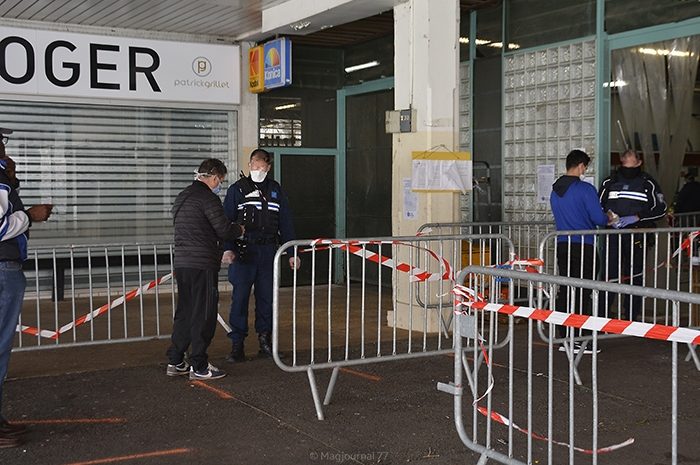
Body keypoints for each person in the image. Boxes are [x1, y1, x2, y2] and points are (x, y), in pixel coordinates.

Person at [166, 158, 244, 381]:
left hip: (183, 263)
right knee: (204, 313)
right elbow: (223, 229)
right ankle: (199, 365)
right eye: (220, 180)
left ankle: (176, 360)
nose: (220, 184)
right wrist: (240, 228)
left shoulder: (183, 196)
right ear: (213, 176)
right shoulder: (207, 198)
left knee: (185, 311)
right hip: (202, 264)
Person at [0, 128, 53, 448]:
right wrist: (30, 216)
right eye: (0, 140)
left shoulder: (4, 177)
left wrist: (12, 179)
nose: (4, 145)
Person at [223, 148, 299, 363]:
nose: (258, 170)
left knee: (267, 299)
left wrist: (292, 251)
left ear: (268, 167)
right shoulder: (237, 190)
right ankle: (237, 344)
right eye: (254, 166)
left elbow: (286, 223)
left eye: (262, 167)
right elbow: (226, 223)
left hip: (268, 253)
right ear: (249, 166)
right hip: (243, 252)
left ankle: (265, 340)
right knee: (239, 300)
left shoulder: (275, 190)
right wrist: (228, 248)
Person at [550, 149, 610, 353]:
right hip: (584, 245)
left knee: (566, 289)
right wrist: (610, 217)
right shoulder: (585, 189)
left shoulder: (555, 189)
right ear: (582, 166)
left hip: (562, 244)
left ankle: (564, 336)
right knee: (584, 291)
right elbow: (599, 219)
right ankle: (580, 339)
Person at [599, 149, 667, 320]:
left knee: (634, 276)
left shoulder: (647, 182)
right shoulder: (610, 180)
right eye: (625, 157)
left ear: (639, 162)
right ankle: (603, 318)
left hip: (637, 235)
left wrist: (637, 217)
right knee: (609, 276)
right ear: (621, 160)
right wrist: (608, 217)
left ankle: (630, 317)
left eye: (632, 156)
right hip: (613, 235)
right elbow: (598, 206)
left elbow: (661, 209)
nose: (628, 158)